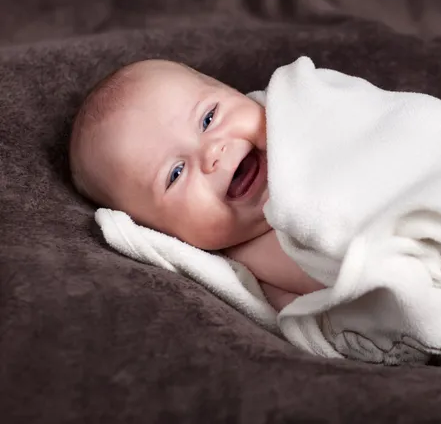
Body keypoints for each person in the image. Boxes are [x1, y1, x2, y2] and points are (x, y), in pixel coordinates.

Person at [69, 59, 325, 310]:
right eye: (176, 173)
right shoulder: (248, 276)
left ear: (233, 91)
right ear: (165, 234)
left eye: (208, 119)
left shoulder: (311, 110)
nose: (210, 153)